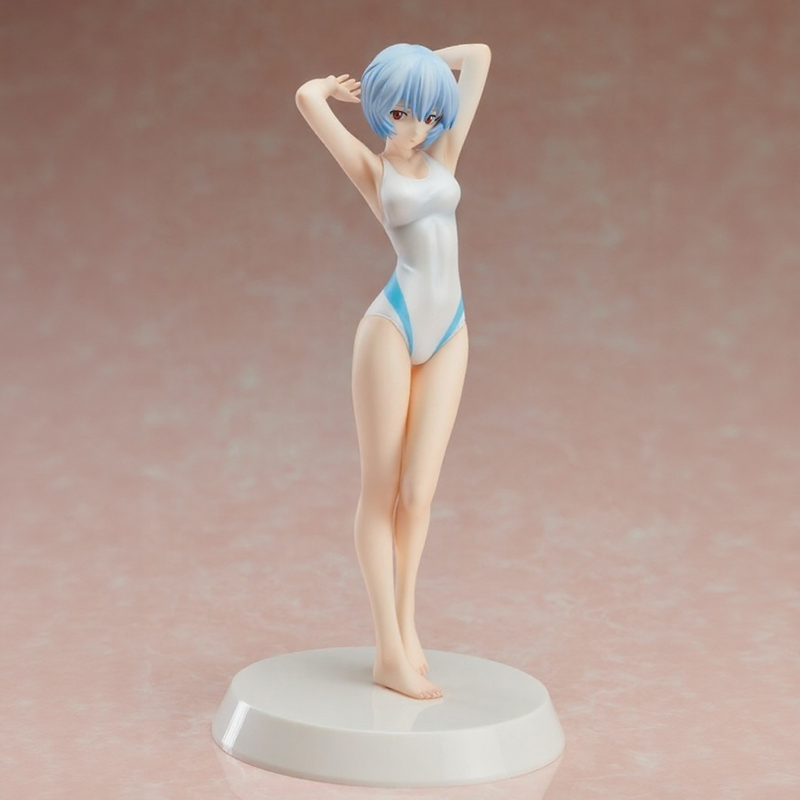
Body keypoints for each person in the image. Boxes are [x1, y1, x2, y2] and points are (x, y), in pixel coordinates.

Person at [296, 42, 490, 699]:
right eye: (404, 113)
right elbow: (306, 99)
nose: (418, 129)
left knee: (419, 493)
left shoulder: (444, 153)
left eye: (430, 115)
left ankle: (408, 625)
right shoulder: (371, 169)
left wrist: (424, 64)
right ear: (382, 110)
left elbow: (479, 56)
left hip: (451, 329)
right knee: (380, 491)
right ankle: (387, 650)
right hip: (392, 327)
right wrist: (337, 86)